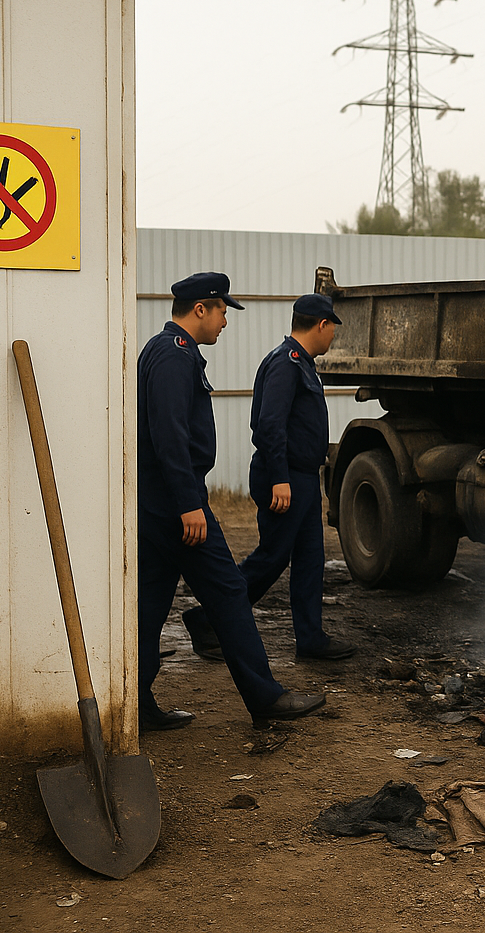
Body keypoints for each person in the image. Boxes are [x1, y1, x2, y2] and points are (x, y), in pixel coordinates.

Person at [137, 272, 327, 731]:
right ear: (200, 309)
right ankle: (265, 697)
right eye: (222, 310)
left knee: (149, 605)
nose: (225, 321)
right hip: (175, 505)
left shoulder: (170, 351)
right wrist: (189, 503)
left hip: (161, 503)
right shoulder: (173, 355)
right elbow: (169, 437)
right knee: (228, 592)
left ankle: (135, 702)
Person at [183, 294, 357, 662]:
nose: (333, 337)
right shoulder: (286, 363)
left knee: (311, 559)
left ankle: (310, 638)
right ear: (322, 324)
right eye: (332, 329)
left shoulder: (301, 363)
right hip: (285, 477)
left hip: (302, 478)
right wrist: (280, 478)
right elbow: (270, 424)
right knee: (272, 558)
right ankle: (207, 618)